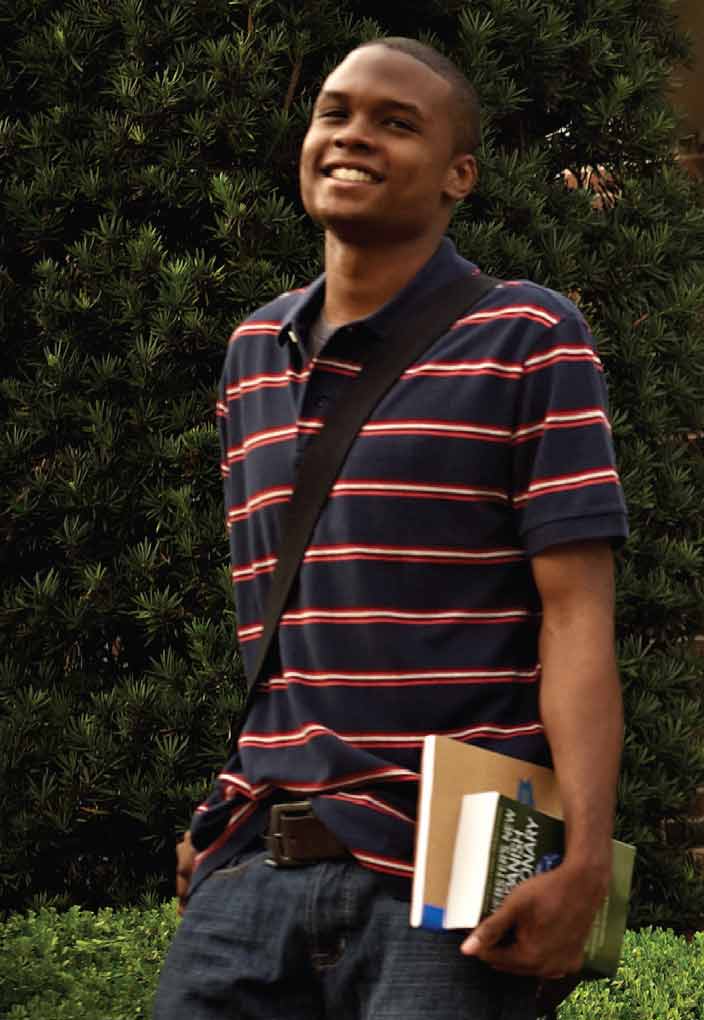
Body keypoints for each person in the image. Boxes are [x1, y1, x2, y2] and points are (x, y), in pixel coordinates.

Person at [152, 37, 627, 1019]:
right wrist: (230, 801)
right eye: (335, 112)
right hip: (253, 863)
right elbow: (294, 615)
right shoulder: (252, 354)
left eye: (396, 121)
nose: (353, 134)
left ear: (461, 174)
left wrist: (582, 858)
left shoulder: (529, 337)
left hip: (460, 865)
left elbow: (577, 619)